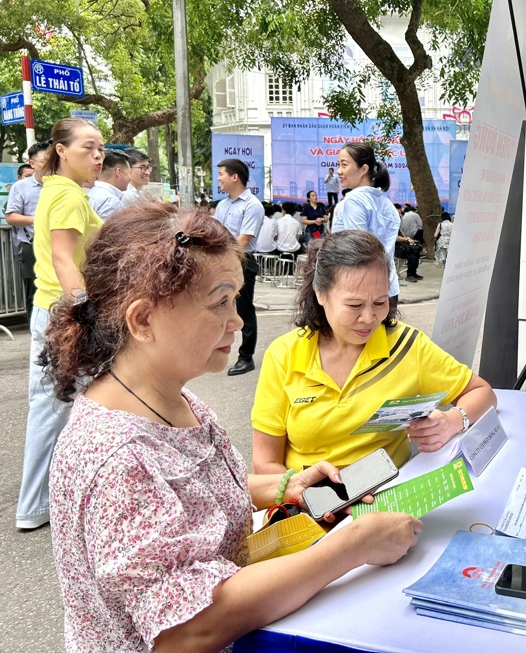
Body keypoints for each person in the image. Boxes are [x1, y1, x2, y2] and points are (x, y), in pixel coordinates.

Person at [43, 201, 421, 651]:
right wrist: (352, 546)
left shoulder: (176, 401)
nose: (237, 321)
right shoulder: (117, 456)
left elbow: (193, 492)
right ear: (143, 320)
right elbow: (186, 629)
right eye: (220, 302)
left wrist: (287, 486)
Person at [251, 230, 496, 473]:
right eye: (354, 305)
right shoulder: (284, 355)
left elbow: (482, 392)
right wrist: (313, 498)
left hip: (389, 496)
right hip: (309, 502)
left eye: (380, 302)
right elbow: (265, 464)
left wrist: (453, 421)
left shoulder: (406, 345)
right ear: (321, 294)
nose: (369, 318)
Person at [16, 118, 104, 530]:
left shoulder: (58, 190)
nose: (98, 156)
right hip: (63, 312)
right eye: (89, 148)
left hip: (53, 310)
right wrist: (83, 308)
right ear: (62, 150)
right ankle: (37, 505)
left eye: (101, 149)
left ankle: (46, 502)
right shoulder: (66, 195)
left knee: (57, 407)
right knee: (57, 409)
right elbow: (63, 258)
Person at [331, 143, 402, 314]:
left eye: (344, 164)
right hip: (388, 287)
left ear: (363, 169)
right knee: (383, 340)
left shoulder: (354, 200)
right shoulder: (385, 202)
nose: (339, 171)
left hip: (362, 294)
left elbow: (357, 251)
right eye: (338, 165)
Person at [214, 158, 265, 376]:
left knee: (243, 310)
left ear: (235, 177)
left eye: (222, 174)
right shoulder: (223, 205)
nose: (219, 179)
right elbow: (213, 232)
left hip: (242, 262)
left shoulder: (253, 205)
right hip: (221, 261)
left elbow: (243, 241)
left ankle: (246, 357)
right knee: (215, 306)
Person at [4, 140, 51, 317]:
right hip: (33, 246)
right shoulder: (21, 187)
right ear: (32, 163)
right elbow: (11, 217)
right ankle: (36, 336)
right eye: (45, 161)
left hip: (60, 244)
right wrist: (40, 220)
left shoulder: (63, 184)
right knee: (37, 292)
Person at [87, 149, 132, 220]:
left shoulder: (90, 194)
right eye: (130, 173)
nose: (130, 178)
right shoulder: (111, 201)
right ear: (118, 172)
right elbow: (111, 230)